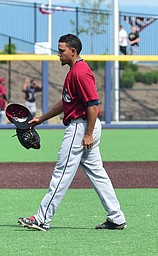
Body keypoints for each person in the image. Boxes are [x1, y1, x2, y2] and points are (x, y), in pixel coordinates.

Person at [18, 34, 126, 231]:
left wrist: (88, 134)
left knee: (62, 173)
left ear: (73, 51)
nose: (58, 54)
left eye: (61, 51)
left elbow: (93, 104)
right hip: (84, 126)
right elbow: (66, 102)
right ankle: (116, 217)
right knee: (97, 173)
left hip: (81, 127)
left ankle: (42, 219)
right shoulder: (74, 71)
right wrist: (41, 119)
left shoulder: (80, 73)